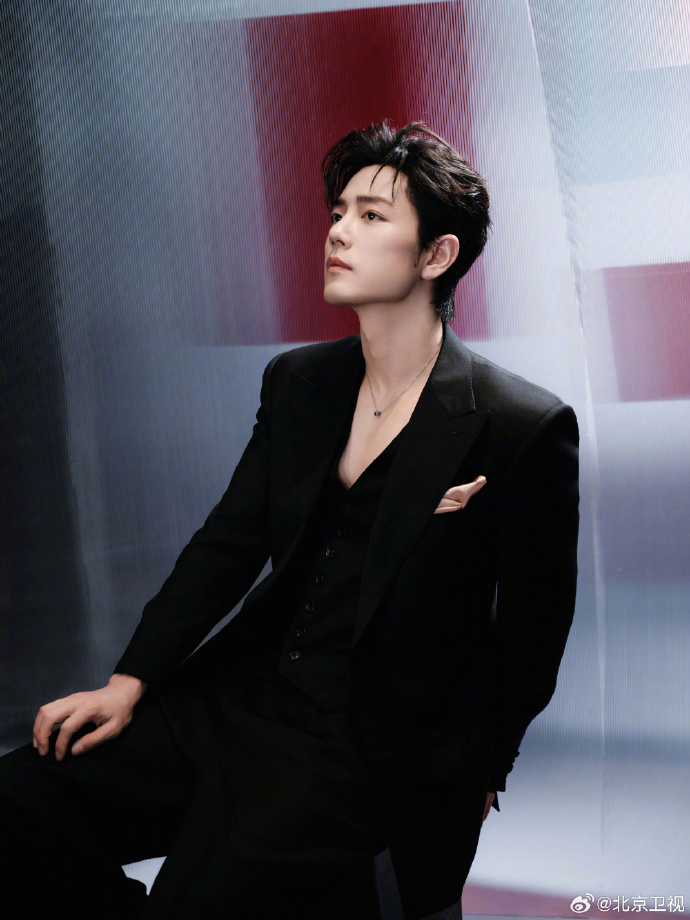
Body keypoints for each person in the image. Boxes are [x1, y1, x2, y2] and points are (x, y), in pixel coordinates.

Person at [0, 121, 579, 920]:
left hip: (364, 743)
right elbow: (228, 543)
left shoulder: (521, 424)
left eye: (372, 216)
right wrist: (128, 683)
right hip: (240, 698)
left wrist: (483, 768)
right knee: (16, 803)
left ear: (437, 255)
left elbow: (533, 631)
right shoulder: (300, 381)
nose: (338, 230)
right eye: (339, 212)